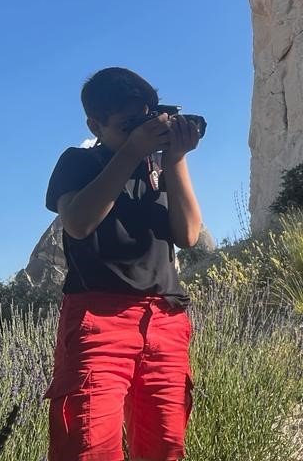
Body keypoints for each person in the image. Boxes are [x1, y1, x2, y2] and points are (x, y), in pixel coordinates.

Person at [44, 67, 203, 461]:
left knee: (166, 448)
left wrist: (175, 157)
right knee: (87, 447)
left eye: (145, 119)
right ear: (94, 124)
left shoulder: (158, 168)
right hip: (98, 320)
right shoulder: (77, 163)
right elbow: (78, 223)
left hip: (165, 318)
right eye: (126, 124)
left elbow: (188, 235)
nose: (138, 132)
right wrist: (131, 151)